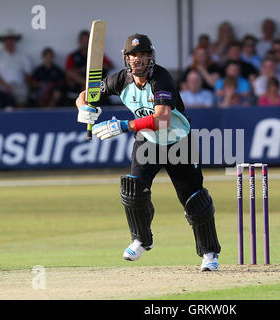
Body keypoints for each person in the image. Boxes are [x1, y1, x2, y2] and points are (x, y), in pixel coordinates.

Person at [75, 33, 221, 272]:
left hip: (177, 141)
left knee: (194, 200)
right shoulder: (119, 80)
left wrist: (123, 126)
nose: (139, 60)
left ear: (151, 58)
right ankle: (142, 240)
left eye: (144, 55)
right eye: (134, 55)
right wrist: (83, 109)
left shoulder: (161, 78)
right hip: (148, 142)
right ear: (126, 58)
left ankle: (209, 253)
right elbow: (84, 95)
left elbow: (162, 119)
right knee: (133, 189)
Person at [0, 28, 31, 108]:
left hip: (18, 84)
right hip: (1, 85)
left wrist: (21, 82)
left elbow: (27, 73)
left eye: (11, 40)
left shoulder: (23, 56)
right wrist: (4, 85)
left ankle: (20, 116)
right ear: (3, 42)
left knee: (22, 93)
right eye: (7, 40)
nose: (9, 42)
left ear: (15, 41)